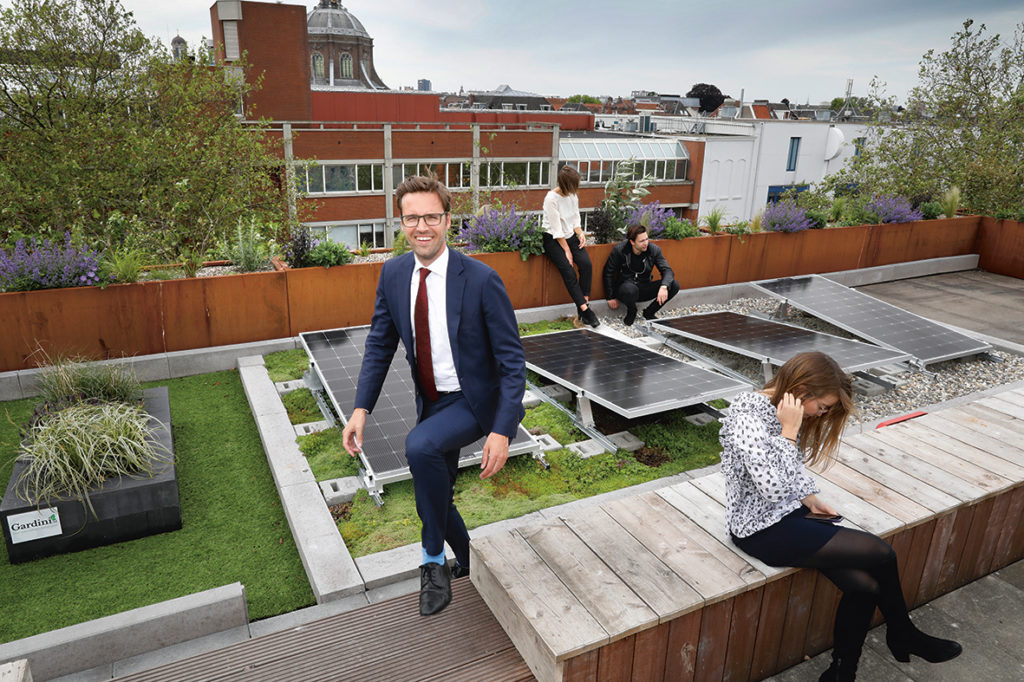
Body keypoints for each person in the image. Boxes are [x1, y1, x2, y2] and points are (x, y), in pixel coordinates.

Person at [342, 175, 526, 617]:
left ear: (447, 220)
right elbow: (380, 345)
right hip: (432, 400)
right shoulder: (394, 273)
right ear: (401, 222)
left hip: (475, 401)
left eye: (430, 217)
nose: (421, 227)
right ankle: (469, 560)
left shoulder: (481, 279)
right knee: (435, 491)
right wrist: (360, 408)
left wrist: (502, 430)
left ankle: (431, 561)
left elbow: (513, 362)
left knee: (419, 446)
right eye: (411, 218)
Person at [719, 351, 962, 681]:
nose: (822, 414)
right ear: (803, 389)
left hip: (790, 513)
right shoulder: (747, 414)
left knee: (864, 586)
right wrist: (788, 433)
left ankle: (842, 671)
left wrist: (811, 499)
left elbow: (791, 475)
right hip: (759, 528)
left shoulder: (787, 409)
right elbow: (772, 489)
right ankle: (903, 634)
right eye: (822, 407)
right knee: (881, 553)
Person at [541, 165, 598, 327]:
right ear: (567, 184)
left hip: (570, 235)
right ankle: (587, 312)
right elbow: (556, 229)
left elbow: (575, 219)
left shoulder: (573, 196)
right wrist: (567, 251)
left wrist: (580, 233)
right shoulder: (551, 199)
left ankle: (583, 307)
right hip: (552, 239)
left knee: (586, 265)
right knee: (569, 271)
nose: (577, 188)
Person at [602, 223, 679, 325]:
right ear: (632, 242)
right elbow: (608, 272)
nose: (646, 243)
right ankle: (632, 311)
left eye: (647, 239)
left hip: (644, 286)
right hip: (625, 289)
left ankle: (649, 312)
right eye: (642, 241)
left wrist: (664, 286)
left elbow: (667, 270)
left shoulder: (653, 250)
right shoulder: (620, 250)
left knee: (674, 284)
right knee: (630, 289)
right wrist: (610, 296)